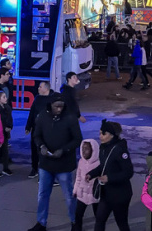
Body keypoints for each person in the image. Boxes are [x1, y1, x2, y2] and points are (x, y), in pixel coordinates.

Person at [29, 94, 83, 231]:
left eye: (61, 106)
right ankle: (41, 223)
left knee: (69, 196)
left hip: (64, 165)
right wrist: (41, 146)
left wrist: (64, 150)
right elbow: (36, 135)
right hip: (46, 164)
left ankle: (74, 222)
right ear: (50, 106)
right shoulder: (42, 116)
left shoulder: (70, 118)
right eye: (56, 106)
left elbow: (77, 139)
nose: (59, 109)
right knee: (42, 195)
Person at [86, 120, 133, 231]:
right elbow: (104, 166)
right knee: (99, 220)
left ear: (112, 135)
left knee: (122, 223)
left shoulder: (120, 150)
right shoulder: (103, 148)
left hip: (120, 195)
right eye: (100, 133)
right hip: (107, 193)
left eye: (103, 133)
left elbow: (128, 172)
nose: (100, 136)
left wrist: (109, 178)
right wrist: (91, 174)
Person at [26, 81, 53, 178]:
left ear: (46, 88)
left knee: (45, 149)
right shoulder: (37, 98)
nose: (38, 88)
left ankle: (45, 169)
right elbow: (32, 112)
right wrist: (28, 126)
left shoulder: (52, 100)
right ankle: (34, 168)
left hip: (47, 130)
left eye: (40, 87)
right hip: (36, 129)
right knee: (34, 149)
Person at [73, 139, 100, 231]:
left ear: (93, 150)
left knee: (99, 216)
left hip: (95, 194)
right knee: (78, 214)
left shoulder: (99, 163)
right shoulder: (81, 162)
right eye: (82, 149)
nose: (84, 151)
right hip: (82, 193)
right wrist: (75, 190)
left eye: (87, 149)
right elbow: (78, 177)